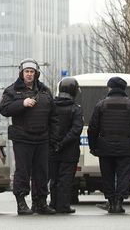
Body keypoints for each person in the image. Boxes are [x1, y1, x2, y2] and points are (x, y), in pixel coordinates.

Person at [0, 58, 57, 215]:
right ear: (21, 73)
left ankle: (40, 202)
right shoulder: (12, 90)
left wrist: (53, 136)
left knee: (42, 172)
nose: (29, 75)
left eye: (32, 72)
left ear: (36, 73)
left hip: (42, 138)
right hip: (22, 138)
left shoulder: (45, 90)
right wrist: (22, 103)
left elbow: (53, 115)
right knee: (23, 171)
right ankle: (21, 202)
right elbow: (4, 109)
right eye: (27, 72)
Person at [88, 76, 130, 214]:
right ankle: (119, 202)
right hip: (125, 147)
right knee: (123, 175)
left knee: (107, 175)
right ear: (123, 89)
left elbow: (92, 128)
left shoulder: (101, 105)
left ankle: (111, 201)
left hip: (105, 147)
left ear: (110, 88)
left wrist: (93, 147)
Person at [48, 77, 83, 214]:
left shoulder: (51, 107)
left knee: (54, 179)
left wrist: (54, 143)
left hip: (52, 149)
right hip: (69, 151)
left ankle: (53, 203)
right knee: (65, 179)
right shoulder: (75, 109)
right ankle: (63, 205)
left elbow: (47, 127)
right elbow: (76, 130)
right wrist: (62, 143)